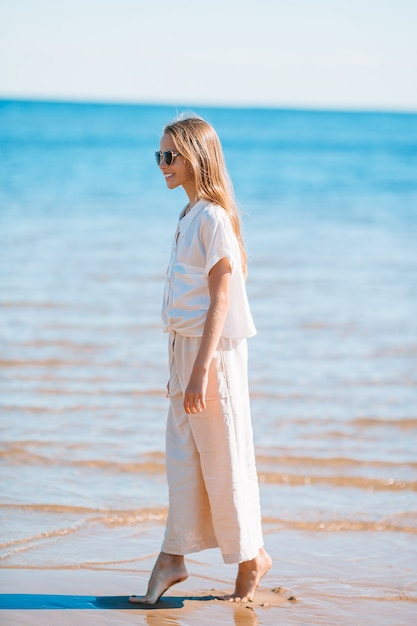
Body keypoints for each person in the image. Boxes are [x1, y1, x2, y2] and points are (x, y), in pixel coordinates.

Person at [129, 114, 271, 605]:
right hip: (183, 348)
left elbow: (222, 299)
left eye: (171, 156)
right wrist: (182, 365)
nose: (162, 165)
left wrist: (201, 370)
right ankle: (174, 556)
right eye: (159, 156)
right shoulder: (189, 214)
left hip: (211, 354)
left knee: (224, 456)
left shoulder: (211, 217)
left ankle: (251, 558)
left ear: (196, 158)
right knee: (183, 458)